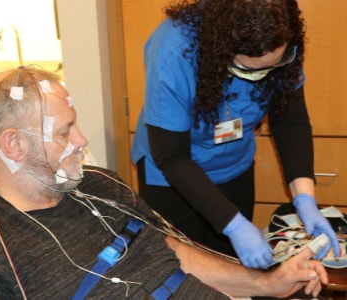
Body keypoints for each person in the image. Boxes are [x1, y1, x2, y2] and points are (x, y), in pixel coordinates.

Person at [0, 67, 328, 299]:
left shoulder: (99, 186)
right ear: (13, 144)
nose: (82, 141)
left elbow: (170, 251)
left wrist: (268, 283)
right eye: (65, 133)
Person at [131, 0, 339, 269]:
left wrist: (305, 199)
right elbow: (171, 156)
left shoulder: (281, 37)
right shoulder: (174, 49)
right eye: (247, 69)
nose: (262, 75)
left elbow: (290, 119)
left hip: (234, 168)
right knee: (182, 273)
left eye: (273, 65)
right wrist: (234, 224)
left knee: (233, 269)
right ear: (221, 50)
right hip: (172, 180)